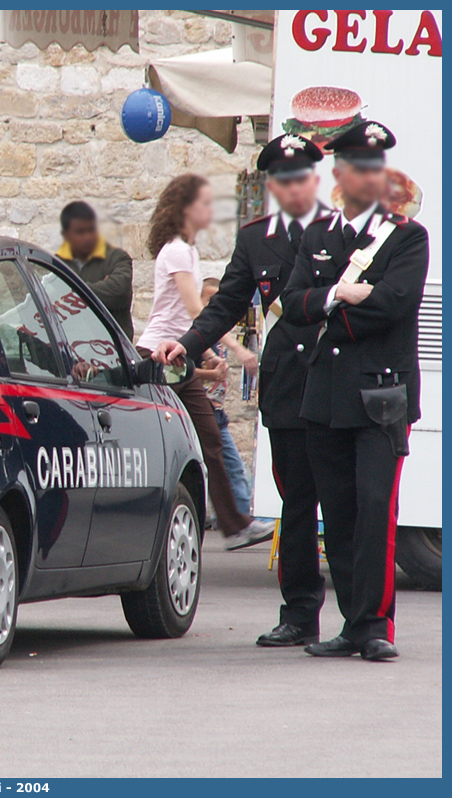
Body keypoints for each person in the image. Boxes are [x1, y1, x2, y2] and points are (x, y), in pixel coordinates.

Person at [152, 133, 330, 647]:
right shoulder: (256, 238)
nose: (293, 186)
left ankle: (364, 623)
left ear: (314, 181)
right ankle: (299, 615)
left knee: (346, 506)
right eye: (283, 179)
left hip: (337, 385)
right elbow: (226, 302)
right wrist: (186, 344)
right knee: (297, 505)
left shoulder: (340, 231)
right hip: (288, 389)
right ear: (273, 185)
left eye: (301, 178)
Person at [281, 121, 428, 661]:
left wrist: (339, 302)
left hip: (380, 399)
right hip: (325, 398)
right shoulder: (318, 237)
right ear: (338, 173)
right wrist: (338, 295)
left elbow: (394, 304)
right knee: (338, 515)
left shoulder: (408, 236)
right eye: (356, 166)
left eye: (375, 167)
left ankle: (375, 627)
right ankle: (351, 623)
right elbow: (293, 307)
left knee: (374, 511)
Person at [137, 175, 272, 550]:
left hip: (176, 356)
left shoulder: (187, 251)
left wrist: (208, 351)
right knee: (198, 440)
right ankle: (233, 524)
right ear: (185, 209)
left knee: (207, 440)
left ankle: (234, 524)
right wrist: (237, 348)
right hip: (159, 357)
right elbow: (197, 309)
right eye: (205, 203)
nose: (211, 210)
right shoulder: (177, 250)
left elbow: (183, 316)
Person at [195, 278, 252, 517]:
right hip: (202, 408)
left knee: (226, 465)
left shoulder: (218, 339)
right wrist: (212, 372)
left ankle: (232, 515)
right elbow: (185, 373)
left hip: (216, 410)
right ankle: (238, 517)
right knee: (230, 465)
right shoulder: (196, 336)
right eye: (208, 300)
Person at [56, 201, 134, 340]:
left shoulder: (117, 257)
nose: (87, 237)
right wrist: (99, 288)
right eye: (80, 232)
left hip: (112, 349)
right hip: (73, 349)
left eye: (91, 230)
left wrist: (68, 291)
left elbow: (119, 291)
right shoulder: (56, 264)